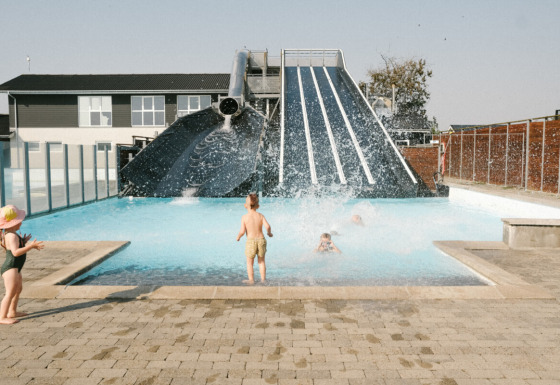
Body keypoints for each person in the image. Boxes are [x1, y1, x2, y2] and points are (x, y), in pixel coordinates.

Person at [0, 205, 44, 324]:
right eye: (20, 220)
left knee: (18, 289)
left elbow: (13, 247)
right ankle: (2, 317)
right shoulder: (12, 235)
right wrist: (30, 246)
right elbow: (15, 252)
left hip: (15, 268)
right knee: (10, 292)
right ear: (13, 223)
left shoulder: (11, 234)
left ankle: (12, 312)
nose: (21, 222)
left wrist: (23, 242)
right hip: (10, 268)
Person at [236, 193, 273, 284]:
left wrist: (238, 237)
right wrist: (269, 233)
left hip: (251, 241)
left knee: (249, 263)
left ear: (245, 206)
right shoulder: (261, 216)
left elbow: (242, 231)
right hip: (261, 240)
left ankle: (251, 280)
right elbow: (267, 226)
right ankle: (263, 280)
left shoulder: (244, 217)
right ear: (258, 206)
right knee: (261, 262)